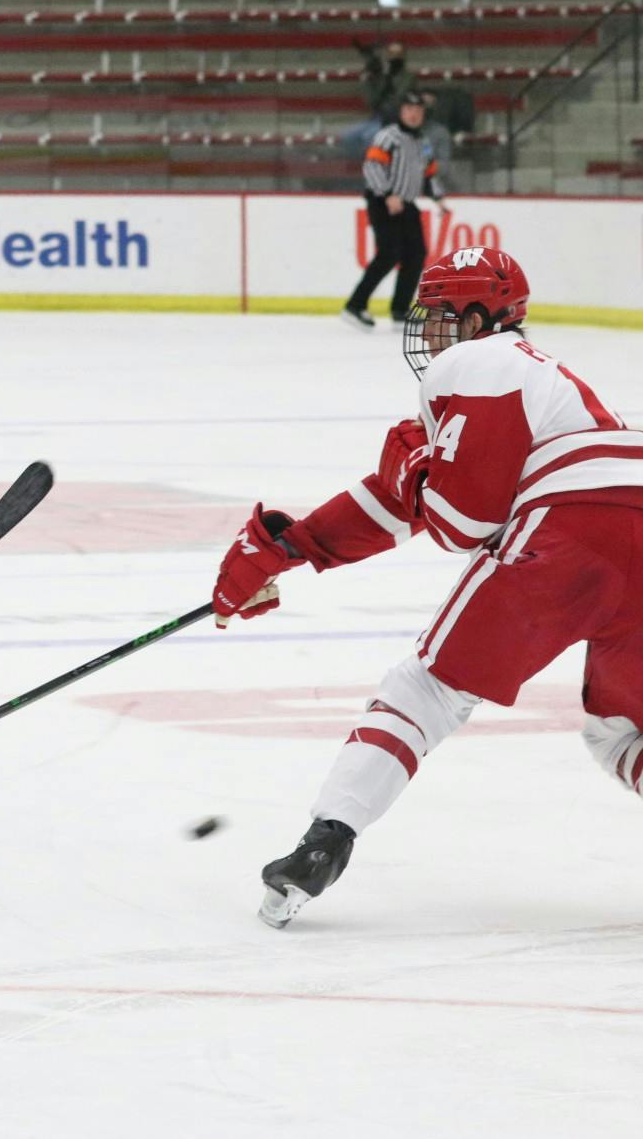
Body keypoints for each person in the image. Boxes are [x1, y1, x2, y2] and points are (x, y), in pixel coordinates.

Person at [211, 248, 643, 928]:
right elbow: (400, 502)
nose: (429, 335)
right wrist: (286, 548)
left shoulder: (478, 363)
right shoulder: (549, 391)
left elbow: (461, 520)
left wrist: (417, 471)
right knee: (620, 733)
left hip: (570, 529)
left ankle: (327, 838)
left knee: (428, 687)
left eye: (440, 316)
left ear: (479, 317)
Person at [341, 90, 444, 332]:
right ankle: (355, 305)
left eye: (418, 111)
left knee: (416, 254)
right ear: (401, 112)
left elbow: (429, 173)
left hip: (406, 203)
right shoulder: (388, 137)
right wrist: (387, 194)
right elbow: (372, 166)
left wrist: (438, 198)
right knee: (389, 253)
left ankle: (400, 311)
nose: (413, 114)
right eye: (409, 109)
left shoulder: (423, 142)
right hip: (382, 201)